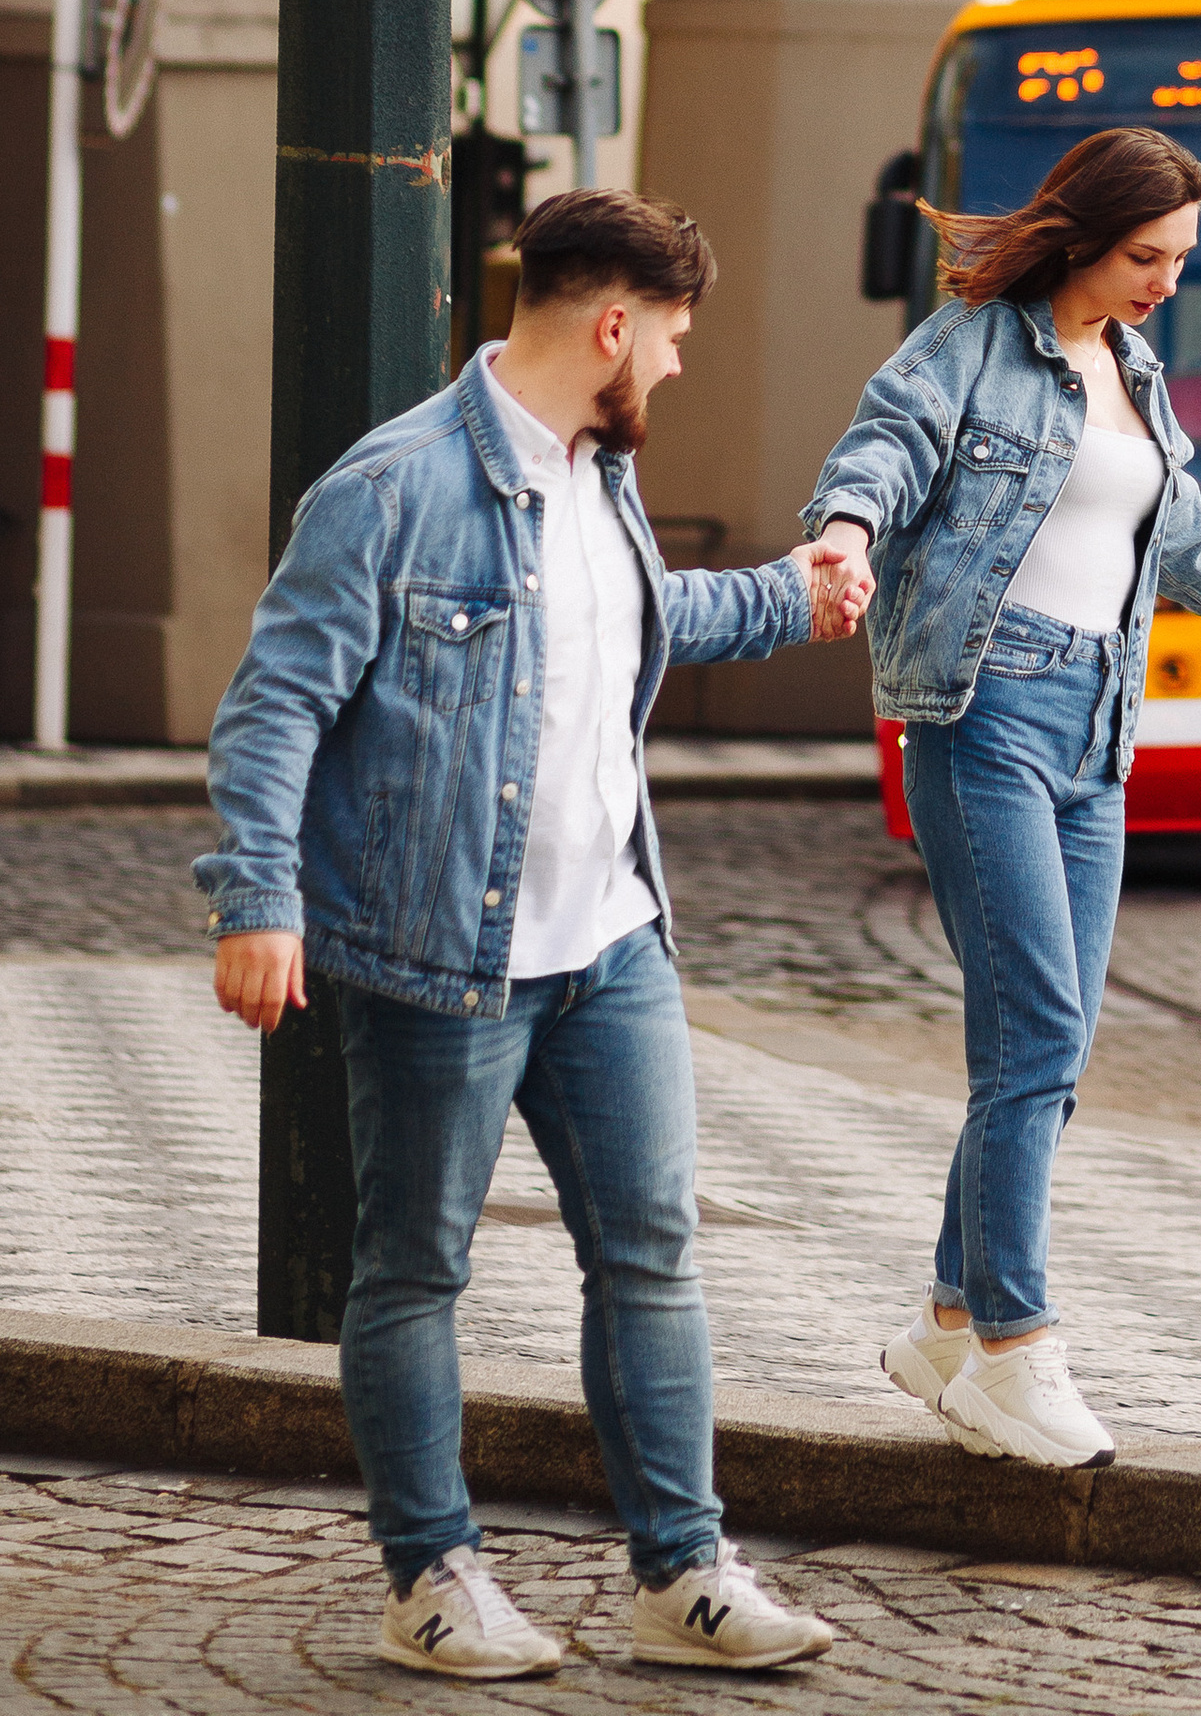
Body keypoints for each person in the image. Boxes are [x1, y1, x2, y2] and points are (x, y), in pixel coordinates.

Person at [200, 188, 862, 1682]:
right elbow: (273, 708)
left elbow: (629, 625)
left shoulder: (595, 473)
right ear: (612, 328)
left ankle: (680, 1574)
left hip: (613, 939)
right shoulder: (391, 489)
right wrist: (257, 899)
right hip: (447, 956)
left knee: (649, 1251)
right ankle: (430, 1576)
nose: (678, 371)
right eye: (674, 341)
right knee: (414, 1267)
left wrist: (789, 597)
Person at [805, 126, 1201, 1472]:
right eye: (1147, 256)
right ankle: (1018, 1348)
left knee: (1051, 1050)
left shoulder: (1134, 366)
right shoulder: (967, 346)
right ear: (1084, 234)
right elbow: (884, 452)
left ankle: (951, 1324)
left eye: (1183, 261)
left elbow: (1172, 522)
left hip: (1100, 725)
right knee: (1032, 1044)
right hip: (987, 713)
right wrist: (844, 537)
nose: (1165, 284)